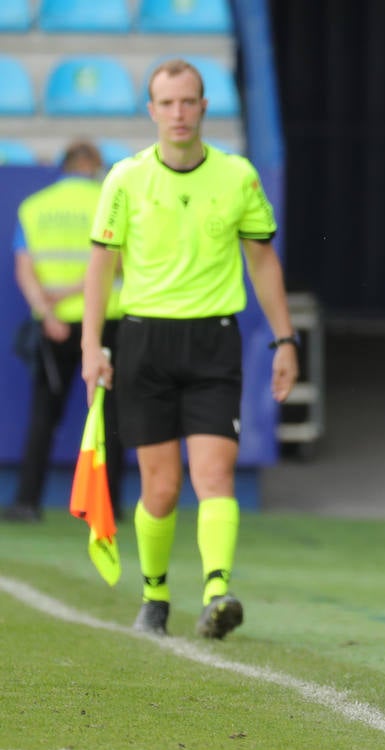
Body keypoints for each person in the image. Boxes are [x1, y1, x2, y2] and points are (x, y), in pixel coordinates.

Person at [80, 59, 298, 640]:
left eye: (188, 102)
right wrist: (91, 344)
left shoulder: (238, 177)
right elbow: (102, 265)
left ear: (205, 108)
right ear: (152, 111)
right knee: (161, 488)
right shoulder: (125, 179)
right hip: (144, 341)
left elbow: (262, 261)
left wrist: (285, 339)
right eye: (167, 103)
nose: (178, 113)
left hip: (212, 342)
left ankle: (217, 592)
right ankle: (154, 596)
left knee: (214, 475)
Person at [4, 141, 125, 524]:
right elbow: (115, 264)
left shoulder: (36, 206)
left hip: (53, 325)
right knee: (111, 417)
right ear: (95, 166)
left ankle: (27, 502)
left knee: (43, 416)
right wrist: (75, 292)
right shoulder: (112, 202)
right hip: (106, 322)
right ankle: (108, 505)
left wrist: (46, 309)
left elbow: (24, 268)